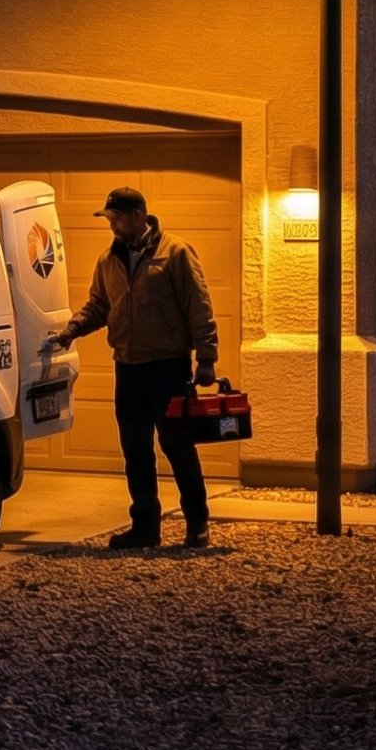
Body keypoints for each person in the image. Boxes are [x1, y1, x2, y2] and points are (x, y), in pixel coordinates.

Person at [42, 187, 219, 549]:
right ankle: (145, 527)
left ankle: (197, 523)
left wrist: (206, 358)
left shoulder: (175, 253)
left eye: (118, 218)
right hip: (128, 367)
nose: (114, 226)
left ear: (140, 215)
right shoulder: (109, 260)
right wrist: (71, 332)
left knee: (177, 445)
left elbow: (198, 304)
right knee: (135, 449)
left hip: (168, 366)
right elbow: (99, 306)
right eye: (110, 219)